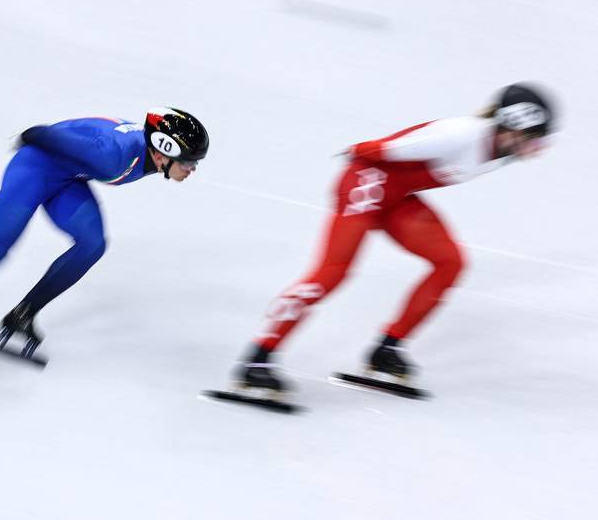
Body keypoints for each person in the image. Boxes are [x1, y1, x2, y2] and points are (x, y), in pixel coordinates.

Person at [232, 83, 554, 397]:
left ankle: (387, 349)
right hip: (365, 185)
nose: (535, 149)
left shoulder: (501, 152)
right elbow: (381, 150)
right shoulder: (460, 133)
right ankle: (257, 358)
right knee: (332, 273)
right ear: (512, 126)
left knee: (450, 263)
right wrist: (359, 152)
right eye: (533, 139)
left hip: (397, 199)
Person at [0, 107, 209, 372]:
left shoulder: (144, 155)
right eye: (189, 162)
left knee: (92, 245)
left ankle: (21, 316)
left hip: (68, 178)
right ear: (164, 152)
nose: (192, 169)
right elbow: (43, 133)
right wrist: (29, 136)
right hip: (33, 171)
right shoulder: (114, 156)